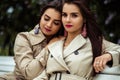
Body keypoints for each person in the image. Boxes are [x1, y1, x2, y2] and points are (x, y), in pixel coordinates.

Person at [33, 0, 120, 80]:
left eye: (74, 15)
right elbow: (45, 75)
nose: (67, 20)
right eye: (64, 15)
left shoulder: (94, 42)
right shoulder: (55, 43)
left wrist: (108, 55)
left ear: (84, 18)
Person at [0, 0, 64, 80]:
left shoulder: (63, 42)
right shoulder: (24, 38)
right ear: (41, 17)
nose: (49, 25)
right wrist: (48, 48)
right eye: (46, 19)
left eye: (56, 23)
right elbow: (29, 74)